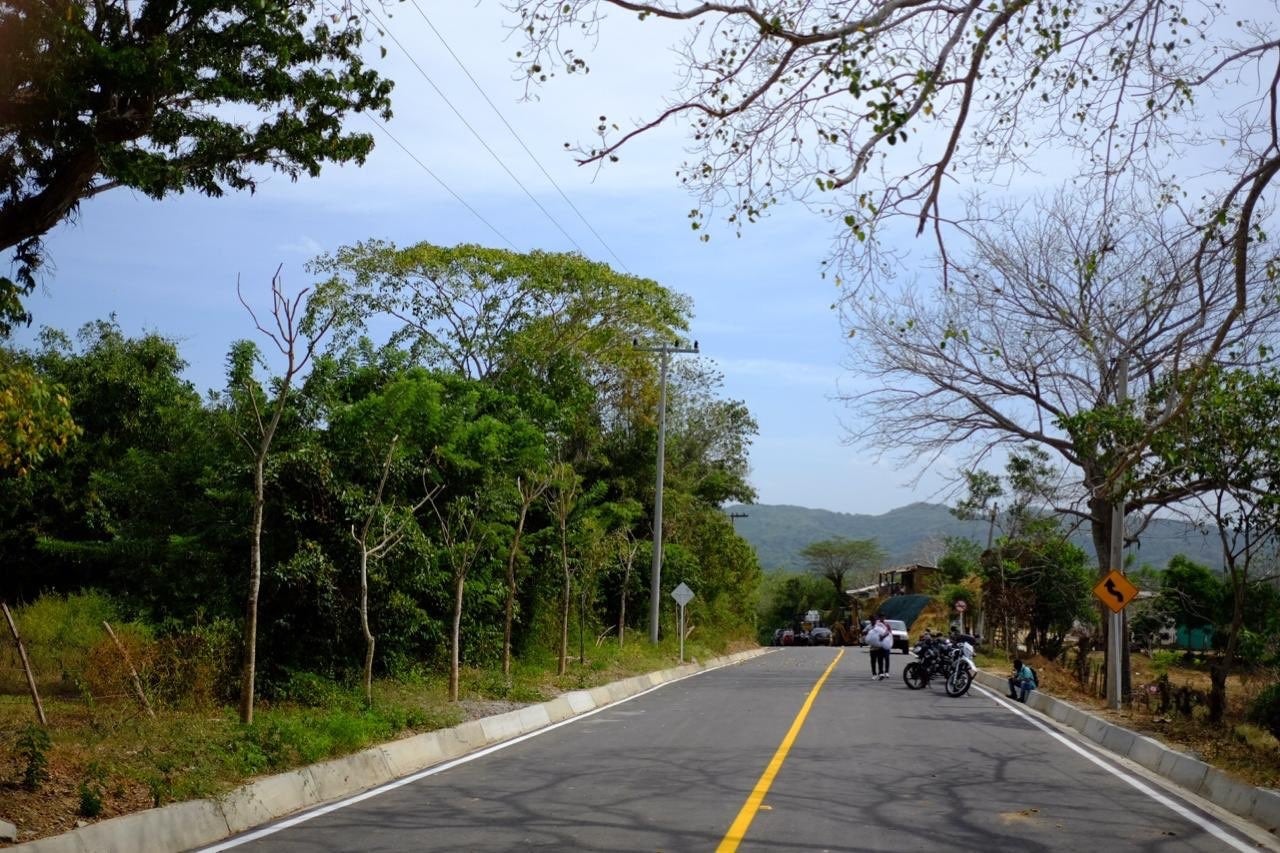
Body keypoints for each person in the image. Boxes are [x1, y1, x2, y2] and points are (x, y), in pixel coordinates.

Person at [864, 616, 887, 680]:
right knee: (873, 661)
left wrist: (883, 636)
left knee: (880, 660)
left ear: (876, 620)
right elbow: (863, 632)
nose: (873, 622)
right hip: (873, 647)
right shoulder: (869, 626)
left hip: (880, 646)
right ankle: (874, 674)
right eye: (871, 621)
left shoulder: (880, 625)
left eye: (874, 620)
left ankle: (881, 673)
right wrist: (866, 632)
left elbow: (887, 632)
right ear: (870, 621)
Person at [876, 615, 894, 679]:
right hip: (879, 644)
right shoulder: (877, 625)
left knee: (887, 658)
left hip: (886, 644)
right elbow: (875, 633)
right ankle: (881, 672)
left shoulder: (887, 625)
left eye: (883, 617)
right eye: (881, 617)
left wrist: (884, 636)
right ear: (879, 618)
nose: (882, 618)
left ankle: (887, 672)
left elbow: (890, 633)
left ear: (884, 618)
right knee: (880, 659)